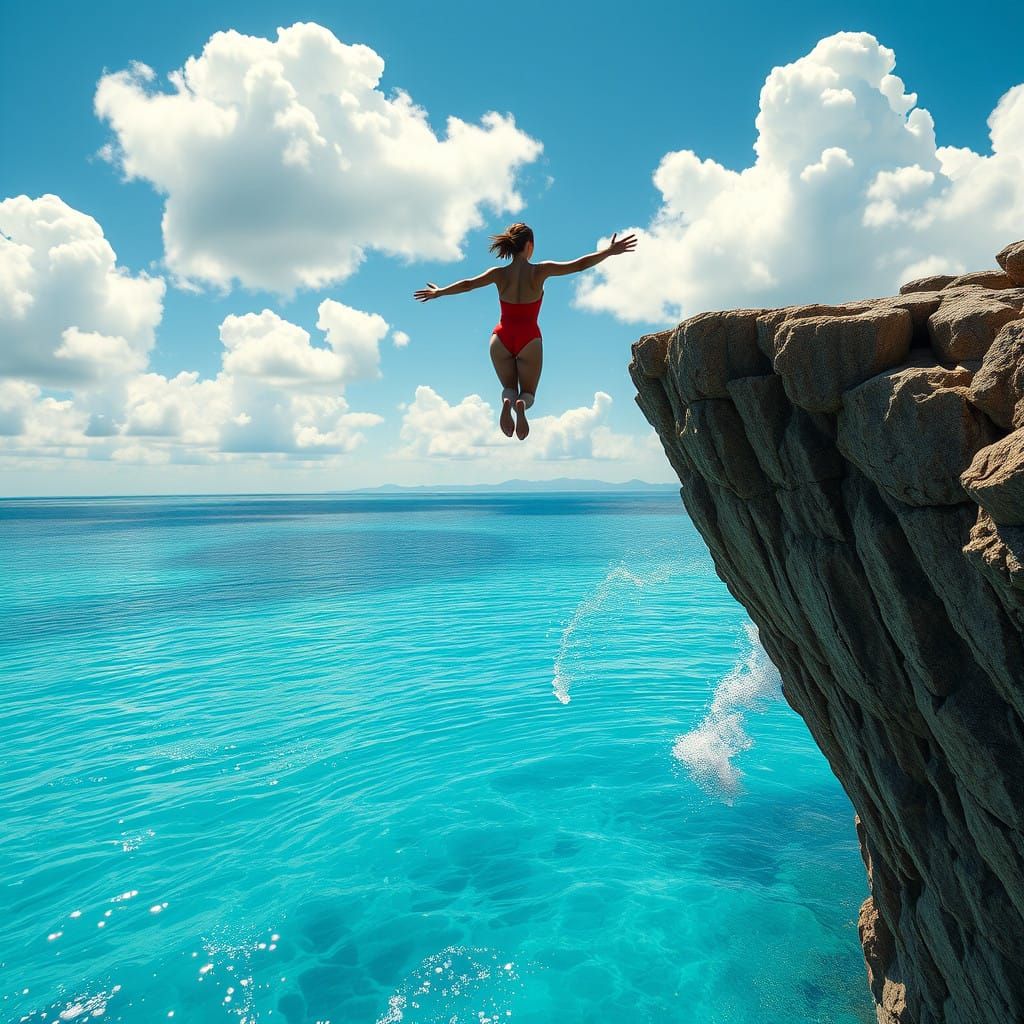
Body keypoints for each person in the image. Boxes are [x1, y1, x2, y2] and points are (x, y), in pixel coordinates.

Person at [413, 224, 637, 440]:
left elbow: (468, 284)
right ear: (529, 245)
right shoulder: (540, 271)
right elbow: (579, 265)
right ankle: (521, 405)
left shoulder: (499, 274)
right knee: (528, 394)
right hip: (529, 338)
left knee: (508, 388)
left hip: (500, 337)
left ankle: (508, 402)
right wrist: (609, 251)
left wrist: (440, 292)